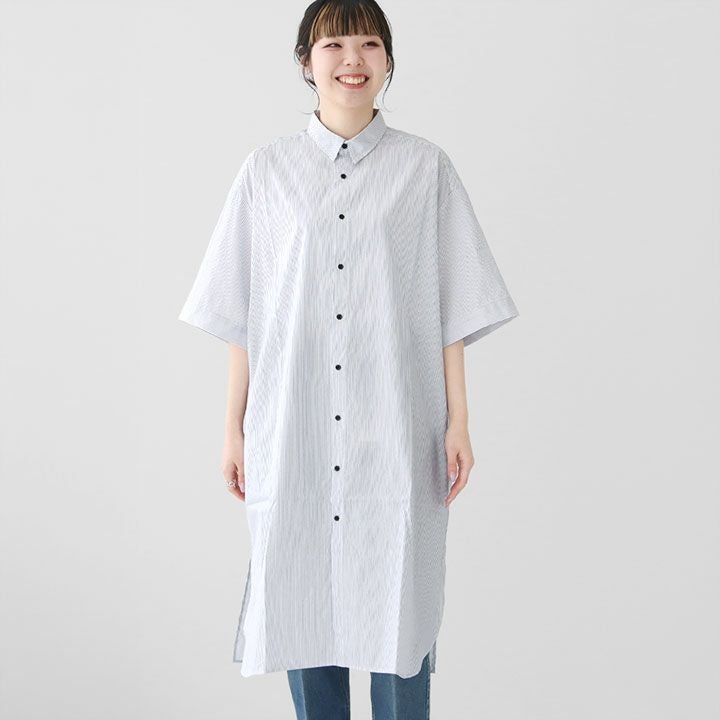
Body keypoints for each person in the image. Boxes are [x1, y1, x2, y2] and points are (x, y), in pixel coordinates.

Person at [178, 0, 519, 717]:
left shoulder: (425, 169)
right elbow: (244, 311)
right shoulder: (267, 172)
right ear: (306, 62)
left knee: (399, 616)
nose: (352, 59)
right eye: (333, 45)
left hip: (396, 426)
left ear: (389, 61)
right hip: (292, 427)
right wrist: (233, 429)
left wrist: (459, 422)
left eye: (369, 44)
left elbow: (451, 306)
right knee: (303, 609)